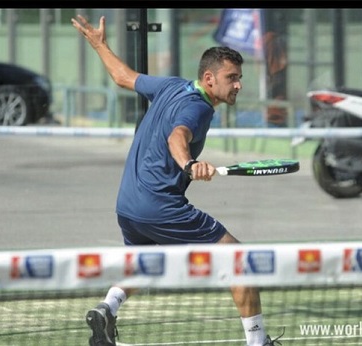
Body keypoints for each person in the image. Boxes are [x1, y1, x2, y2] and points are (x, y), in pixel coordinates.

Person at [71, 14, 283, 346]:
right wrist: (189, 164)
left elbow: (122, 76)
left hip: (127, 205)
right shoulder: (199, 108)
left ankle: (107, 307)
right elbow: (177, 136)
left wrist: (100, 44)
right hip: (160, 206)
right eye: (232, 78)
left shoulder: (170, 85)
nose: (238, 84)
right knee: (239, 259)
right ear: (209, 78)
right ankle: (259, 342)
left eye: (240, 77)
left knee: (152, 260)